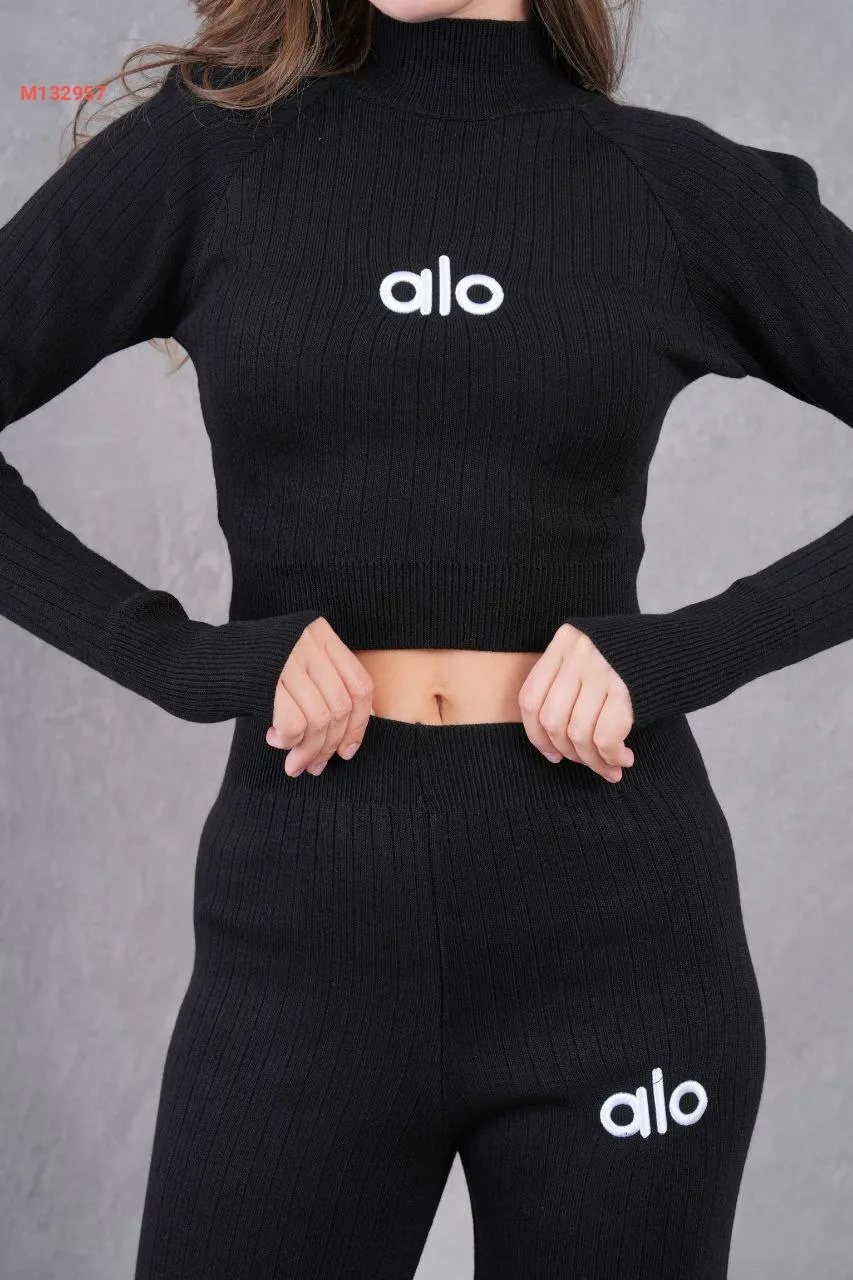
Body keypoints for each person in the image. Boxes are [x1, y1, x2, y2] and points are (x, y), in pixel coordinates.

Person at [2, 0, 852, 1276]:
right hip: (300, 947)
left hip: (623, 958)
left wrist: (685, 653)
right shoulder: (211, 152)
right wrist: (177, 656)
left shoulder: (657, 186)